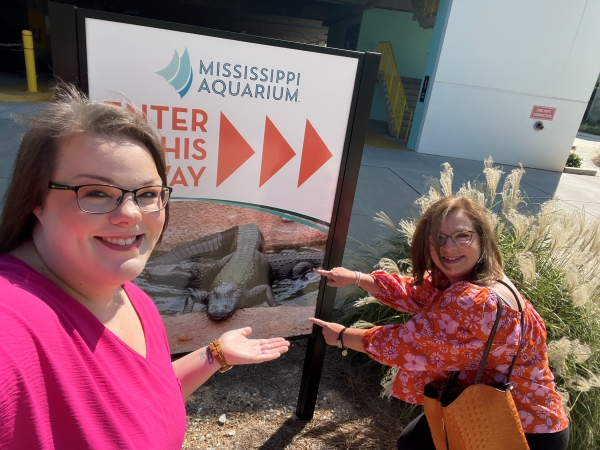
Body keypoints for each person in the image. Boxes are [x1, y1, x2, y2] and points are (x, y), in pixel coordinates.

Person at [0, 86, 289, 449]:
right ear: (35, 199)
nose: (131, 214)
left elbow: (142, 404)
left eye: (148, 194)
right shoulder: (11, 325)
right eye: (96, 192)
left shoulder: (134, 300)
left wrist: (214, 354)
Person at [310, 196, 569, 450]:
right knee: (413, 442)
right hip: (485, 406)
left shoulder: (475, 300)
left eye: (462, 236)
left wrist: (342, 335)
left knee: (414, 444)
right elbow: (417, 292)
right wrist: (356, 278)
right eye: (439, 238)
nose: (449, 247)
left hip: (520, 427)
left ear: (481, 238)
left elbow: (404, 345)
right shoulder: (479, 279)